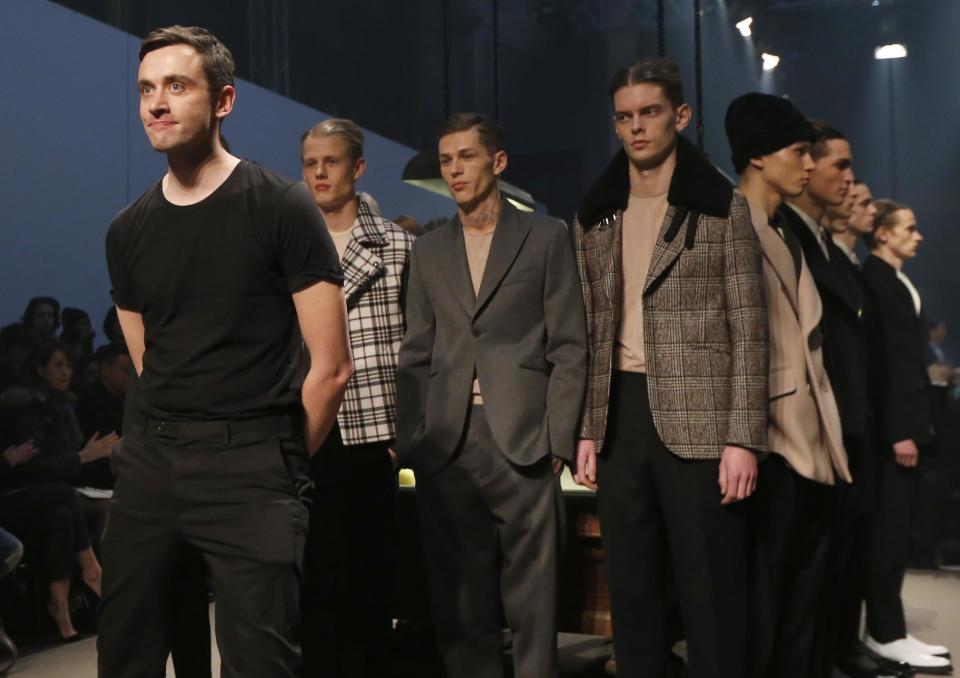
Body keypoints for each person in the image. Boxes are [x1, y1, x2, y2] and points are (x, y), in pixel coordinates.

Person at [97, 25, 352, 678]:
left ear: (224, 101)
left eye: (177, 86)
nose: (157, 103)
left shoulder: (281, 206)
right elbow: (152, 366)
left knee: (260, 661)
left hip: (252, 468)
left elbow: (332, 367)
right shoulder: (127, 230)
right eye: (146, 89)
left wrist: (281, 465)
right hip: (151, 464)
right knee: (126, 655)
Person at [571, 59, 767, 678]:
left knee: (711, 590)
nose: (637, 127)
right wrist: (586, 427)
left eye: (649, 112)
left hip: (705, 422)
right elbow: (589, 329)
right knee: (630, 592)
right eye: (625, 117)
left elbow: (749, 325)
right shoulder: (596, 214)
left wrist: (743, 436)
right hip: (620, 418)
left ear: (679, 116)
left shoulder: (719, 205)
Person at [397, 112, 587, 678]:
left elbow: (570, 344)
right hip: (448, 442)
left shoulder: (547, 236)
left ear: (498, 162)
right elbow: (415, 353)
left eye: (467, 156)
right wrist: (414, 439)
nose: (454, 169)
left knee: (533, 593)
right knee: (459, 595)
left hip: (524, 435)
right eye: (447, 159)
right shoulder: (429, 250)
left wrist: (558, 436)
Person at [724, 93, 851, 678]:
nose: (808, 163)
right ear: (757, 156)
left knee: (802, 598)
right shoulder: (727, 227)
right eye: (798, 150)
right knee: (764, 603)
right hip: (765, 441)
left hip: (810, 440)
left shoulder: (785, 233)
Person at [298, 118, 415, 678]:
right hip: (306, 426)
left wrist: (402, 439)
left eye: (332, 162)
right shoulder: (290, 243)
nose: (320, 173)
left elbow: (420, 348)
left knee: (369, 577)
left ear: (357, 167)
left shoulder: (397, 246)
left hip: (373, 431)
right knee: (312, 575)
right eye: (311, 163)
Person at [860, 200, 952, 673]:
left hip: (912, 423)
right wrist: (900, 431)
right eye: (909, 229)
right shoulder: (876, 281)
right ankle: (885, 632)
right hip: (895, 432)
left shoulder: (896, 282)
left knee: (897, 532)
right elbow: (888, 363)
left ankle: (890, 629)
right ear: (882, 233)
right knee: (888, 533)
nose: (918, 237)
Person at [0, 440, 102, 641]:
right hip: (8, 497)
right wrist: (6, 461)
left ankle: (61, 608)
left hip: (20, 489)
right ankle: (92, 572)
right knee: (64, 494)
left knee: (60, 517)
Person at [75, 343, 132, 489]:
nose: (131, 376)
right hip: (101, 476)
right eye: (125, 370)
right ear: (105, 370)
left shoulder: (125, 399)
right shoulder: (91, 403)